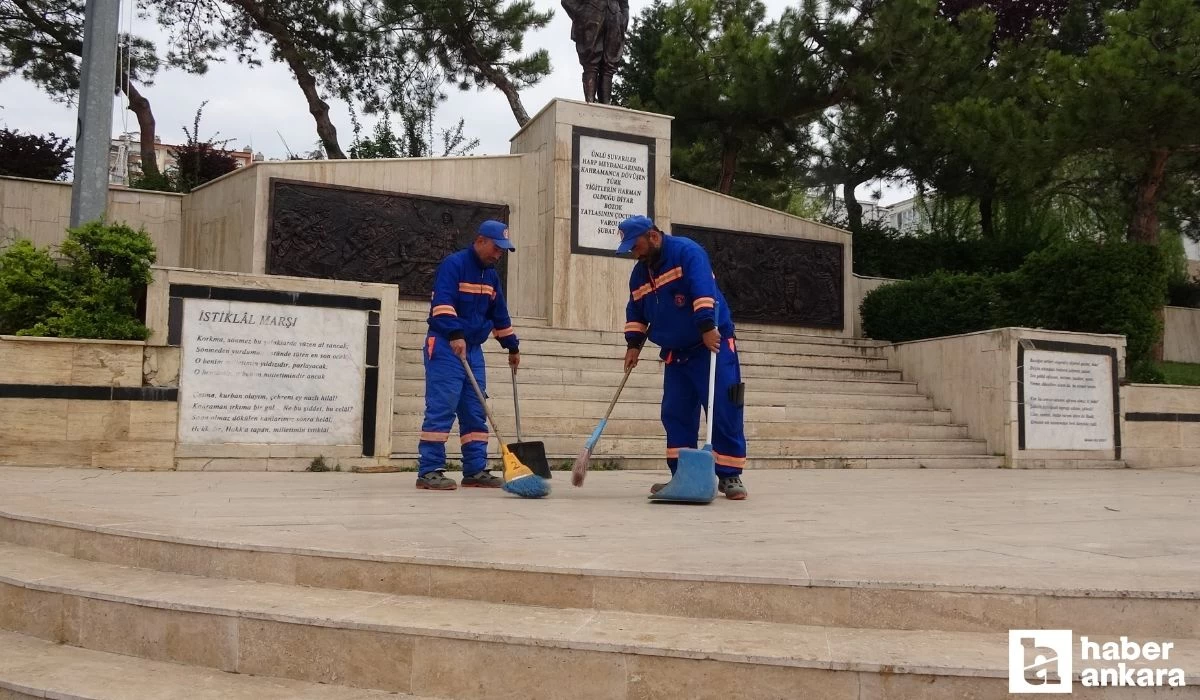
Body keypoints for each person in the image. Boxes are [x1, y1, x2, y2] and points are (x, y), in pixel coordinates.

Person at [615, 215, 748, 500]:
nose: (632, 251)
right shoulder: (640, 273)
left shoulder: (687, 252)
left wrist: (707, 326)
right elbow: (636, 310)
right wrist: (633, 344)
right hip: (676, 351)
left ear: (652, 236)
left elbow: (703, 289)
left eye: (634, 245)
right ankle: (682, 476)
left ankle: (729, 475)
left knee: (723, 406)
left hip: (710, 342)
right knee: (675, 412)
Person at [416, 220, 521, 490]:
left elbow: (499, 313)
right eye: (496, 249)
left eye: (502, 251)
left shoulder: (491, 276)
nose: (498, 255)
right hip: (444, 345)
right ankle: (429, 471)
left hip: (472, 349)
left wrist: (512, 346)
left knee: (476, 410)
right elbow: (442, 303)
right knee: (442, 406)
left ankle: (475, 470)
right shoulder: (454, 265)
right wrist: (454, 334)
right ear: (480, 241)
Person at [561, 0, 629, 104]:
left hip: (614, 17)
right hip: (591, 13)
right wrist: (581, 14)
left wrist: (624, 17)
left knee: (609, 64)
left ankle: (606, 105)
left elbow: (624, 3)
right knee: (590, 61)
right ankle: (590, 103)